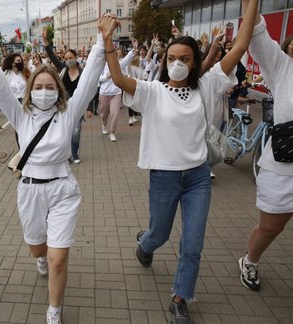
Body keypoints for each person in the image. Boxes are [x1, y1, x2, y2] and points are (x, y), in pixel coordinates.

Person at [101, 0, 258, 322]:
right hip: (164, 178)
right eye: (172, 58)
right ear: (165, 61)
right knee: (160, 234)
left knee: (192, 244)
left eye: (184, 58)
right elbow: (117, 80)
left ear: (194, 61)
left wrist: (251, 3)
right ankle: (146, 244)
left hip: (198, 178)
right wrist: (107, 39)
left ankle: (179, 299)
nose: (177, 63)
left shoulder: (209, 83)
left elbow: (241, 44)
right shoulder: (152, 91)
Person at [0, 16, 108, 324]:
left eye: (50, 87)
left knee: (59, 259)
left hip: (63, 190)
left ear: (58, 90)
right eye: (39, 87)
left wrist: (101, 41)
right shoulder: (21, 116)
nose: (44, 91)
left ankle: (54, 310)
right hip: (30, 190)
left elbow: (87, 82)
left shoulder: (68, 112)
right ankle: (42, 258)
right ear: (31, 90)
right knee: (39, 252)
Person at [238, 2, 293, 292]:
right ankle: (250, 260)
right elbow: (257, 33)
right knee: (272, 227)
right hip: (285, 166)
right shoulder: (283, 68)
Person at [42, 32, 85, 163]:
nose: (68, 60)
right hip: (63, 104)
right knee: (64, 130)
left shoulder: (83, 72)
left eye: (71, 57)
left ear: (76, 57)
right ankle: (66, 154)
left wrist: (89, 108)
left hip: (77, 105)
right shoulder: (63, 69)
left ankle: (75, 153)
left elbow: (89, 89)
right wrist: (46, 43)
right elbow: (53, 57)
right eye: (66, 58)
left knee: (76, 132)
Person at [97, 45, 136, 142]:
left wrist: (133, 50)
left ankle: (112, 132)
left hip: (116, 92)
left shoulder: (118, 64)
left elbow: (127, 59)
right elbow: (97, 79)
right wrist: (106, 77)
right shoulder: (101, 66)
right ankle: (104, 124)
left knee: (115, 114)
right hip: (104, 93)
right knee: (104, 114)